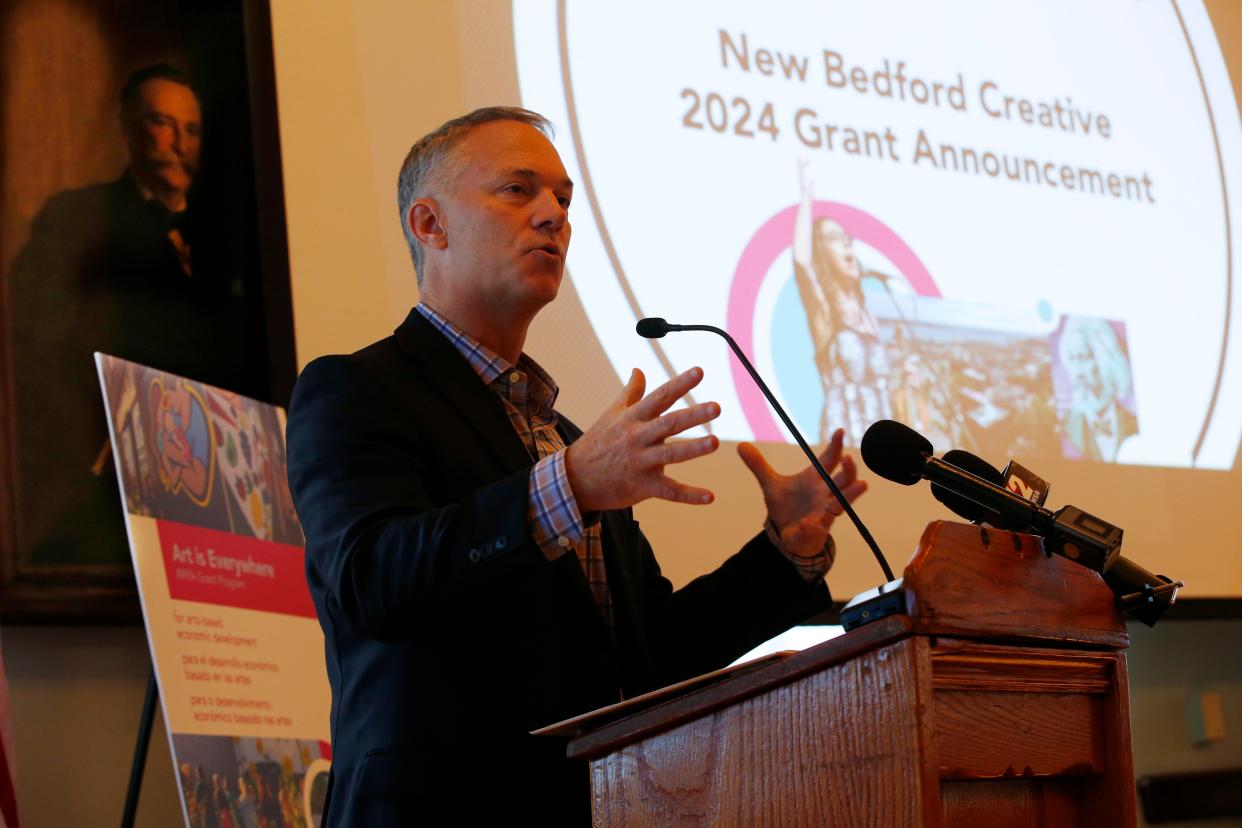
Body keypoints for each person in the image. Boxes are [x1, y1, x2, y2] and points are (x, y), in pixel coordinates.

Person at [286, 107, 866, 826]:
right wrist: (571, 487)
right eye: (517, 190)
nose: (553, 216)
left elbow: (652, 658)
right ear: (429, 226)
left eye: (563, 198)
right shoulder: (357, 389)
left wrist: (787, 550)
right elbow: (372, 580)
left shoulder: (564, 438)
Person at [9, 63, 244, 566]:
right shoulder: (76, 218)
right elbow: (31, 338)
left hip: (219, 490)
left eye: (192, 129)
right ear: (128, 129)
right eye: (161, 123)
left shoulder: (231, 234)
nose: (178, 141)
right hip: (109, 476)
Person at [792, 160, 893, 441]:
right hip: (847, 434)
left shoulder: (866, 310)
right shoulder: (825, 311)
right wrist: (806, 197)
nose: (847, 244)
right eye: (835, 239)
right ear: (822, 253)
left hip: (883, 442)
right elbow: (801, 261)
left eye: (847, 237)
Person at [1056, 316, 1138, 462]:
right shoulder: (1065, 430)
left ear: (1106, 361)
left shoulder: (1134, 425)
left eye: (1083, 358)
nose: (1077, 373)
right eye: (1072, 359)